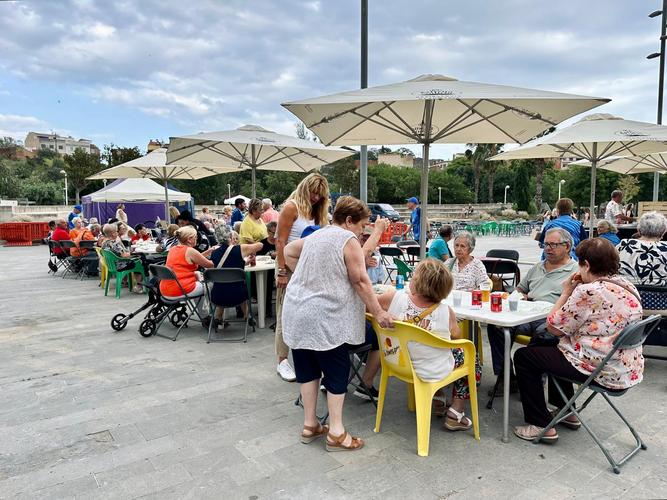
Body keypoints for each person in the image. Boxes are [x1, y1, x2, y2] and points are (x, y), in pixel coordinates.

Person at [282, 196, 393, 452]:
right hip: (325, 318)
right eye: (362, 226)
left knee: (308, 369)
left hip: (297, 311)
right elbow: (360, 280)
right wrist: (378, 312)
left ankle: (310, 424)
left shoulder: (317, 236)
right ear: (350, 220)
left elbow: (288, 252)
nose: (362, 232)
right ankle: (336, 432)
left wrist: (312, 278)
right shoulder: (347, 238)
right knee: (336, 371)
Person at [513, 238, 643, 442]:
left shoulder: (588, 291)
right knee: (552, 347)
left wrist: (566, 291)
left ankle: (539, 424)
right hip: (625, 368)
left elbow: (553, 327)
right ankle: (567, 412)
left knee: (525, 356)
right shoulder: (627, 285)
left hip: (601, 370)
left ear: (587, 265)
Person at [376, 258, 479, 430]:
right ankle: (456, 410)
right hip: (431, 369)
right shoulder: (446, 311)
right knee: (470, 357)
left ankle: (437, 398)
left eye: (414, 275)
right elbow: (456, 336)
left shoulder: (394, 298)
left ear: (419, 281)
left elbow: (369, 307)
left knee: (431, 350)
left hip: (397, 362)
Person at [486, 228, 578, 391]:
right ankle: (506, 377)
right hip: (527, 313)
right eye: (545, 244)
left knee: (546, 334)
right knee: (496, 327)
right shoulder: (537, 267)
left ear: (567, 247)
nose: (548, 248)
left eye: (553, 245)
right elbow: (520, 289)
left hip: (551, 317)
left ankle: (531, 380)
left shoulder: (575, 272)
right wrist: (520, 295)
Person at [274, 173, 330, 382]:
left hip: (309, 267)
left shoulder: (318, 211)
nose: (316, 197)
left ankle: (309, 357)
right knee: (284, 313)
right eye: (313, 192)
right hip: (288, 266)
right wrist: (281, 271)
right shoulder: (291, 207)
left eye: (320, 194)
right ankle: (282, 360)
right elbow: (280, 241)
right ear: (305, 189)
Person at [208, 224, 263, 329]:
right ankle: (247, 316)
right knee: (239, 286)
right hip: (238, 295)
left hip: (217, 296)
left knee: (224, 285)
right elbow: (260, 245)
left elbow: (226, 264)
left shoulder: (214, 253)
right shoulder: (240, 249)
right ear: (230, 236)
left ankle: (218, 317)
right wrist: (250, 243)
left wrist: (244, 262)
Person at [159, 225, 217, 320]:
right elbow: (209, 264)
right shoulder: (190, 251)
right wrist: (223, 256)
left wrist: (209, 251)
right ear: (189, 239)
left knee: (199, 284)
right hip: (180, 289)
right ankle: (215, 316)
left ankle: (205, 316)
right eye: (195, 237)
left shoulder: (173, 249)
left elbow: (195, 258)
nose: (197, 239)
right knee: (212, 284)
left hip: (166, 289)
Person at [617, 211, 667, 286]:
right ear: (663, 232)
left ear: (638, 230)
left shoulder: (624, 244)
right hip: (661, 293)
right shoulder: (665, 248)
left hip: (626, 291)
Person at [101, 223, 144, 293]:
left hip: (111, 265)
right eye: (116, 232)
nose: (117, 233)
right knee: (140, 261)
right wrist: (133, 253)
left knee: (137, 259)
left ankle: (137, 284)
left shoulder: (104, 242)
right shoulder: (114, 243)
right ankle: (139, 285)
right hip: (119, 265)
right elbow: (124, 255)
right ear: (112, 233)